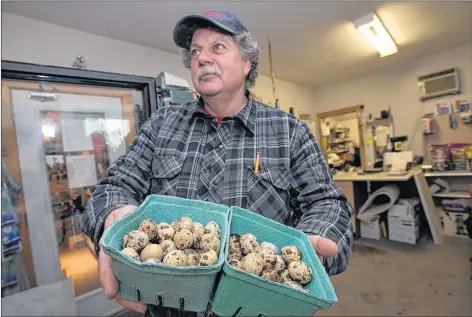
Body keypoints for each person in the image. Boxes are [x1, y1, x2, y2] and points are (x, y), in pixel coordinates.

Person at [81, 9, 354, 315]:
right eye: (195, 51)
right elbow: (114, 186)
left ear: (246, 62)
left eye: (218, 47)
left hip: (257, 306)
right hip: (169, 305)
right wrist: (113, 216)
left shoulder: (289, 132)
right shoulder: (162, 125)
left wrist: (310, 243)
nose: (202, 57)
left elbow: (328, 202)